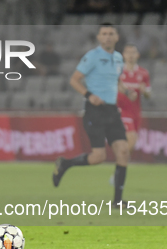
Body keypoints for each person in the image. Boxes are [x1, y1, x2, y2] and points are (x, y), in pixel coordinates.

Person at [52, 23, 134, 208]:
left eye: (111, 33)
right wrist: (89, 95)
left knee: (123, 151)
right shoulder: (92, 57)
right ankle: (66, 164)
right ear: (98, 37)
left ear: (117, 37)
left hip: (112, 111)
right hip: (94, 111)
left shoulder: (119, 58)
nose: (107, 37)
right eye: (104, 33)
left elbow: (117, 79)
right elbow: (74, 79)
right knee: (99, 157)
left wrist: (126, 91)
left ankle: (118, 201)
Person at [113, 44, 151, 173]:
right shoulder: (118, 71)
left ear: (137, 55)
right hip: (122, 110)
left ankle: (119, 169)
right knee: (132, 138)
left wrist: (144, 91)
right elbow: (114, 87)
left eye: (133, 52)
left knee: (130, 146)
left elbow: (148, 95)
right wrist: (126, 92)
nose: (130, 55)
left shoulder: (143, 73)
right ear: (123, 55)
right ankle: (119, 171)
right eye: (127, 52)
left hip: (136, 112)